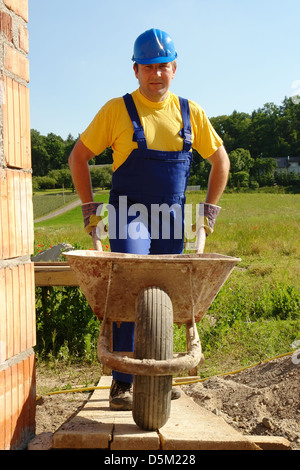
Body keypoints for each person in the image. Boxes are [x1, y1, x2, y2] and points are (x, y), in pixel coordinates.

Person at [69, 28, 230, 411]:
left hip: (171, 216)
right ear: (136, 70)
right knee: (133, 282)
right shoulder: (116, 110)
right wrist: (90, 209)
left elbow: (220, 161)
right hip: (128, 213)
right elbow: (78, 156)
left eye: (163, 66)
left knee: (168, 295)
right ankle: (123, 383)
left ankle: (157, 375)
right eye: (148, 67)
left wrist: (208, 212)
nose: (156, 74)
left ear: (174, 68)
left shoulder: (191, 113)